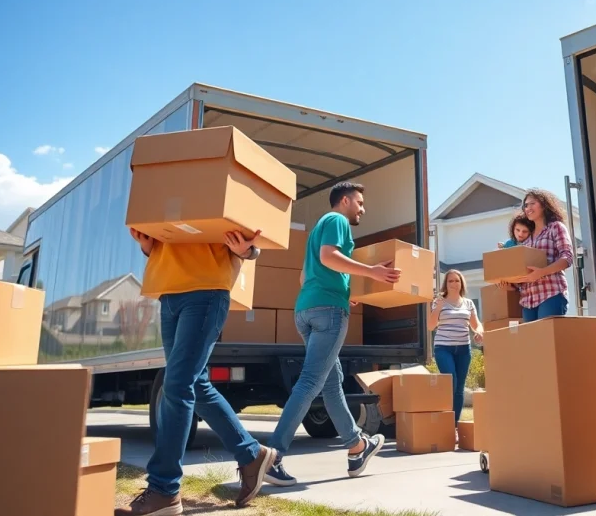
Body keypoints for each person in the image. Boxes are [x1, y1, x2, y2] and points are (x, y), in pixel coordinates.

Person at [117, 229, 273, 515]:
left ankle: (164, 489)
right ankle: (251, 454)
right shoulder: (165, 201)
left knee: (176, 384)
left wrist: (249, 251)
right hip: (169, 292)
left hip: (206, 289)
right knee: (195, 385)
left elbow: (255, 226)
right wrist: (147, 245)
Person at [263, 181, 399, 487]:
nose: (363, 209)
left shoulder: (318, 228)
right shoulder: (337, 220)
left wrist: (343, 290)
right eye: (360, 203)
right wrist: (372, 272)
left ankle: (356, 447)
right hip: (328, 312)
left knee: (332, 383)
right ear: (345, 200)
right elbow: (329, 257)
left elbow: (305, 276)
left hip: (306, 309)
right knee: (311, 382)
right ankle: (272, 457)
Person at [501, 189, 575, 322]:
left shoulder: (555, 227)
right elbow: (525, 274)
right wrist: (512, 286)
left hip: (551, 293)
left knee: (547, 335)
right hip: (527, 301)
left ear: (544, 205)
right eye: (526, 205)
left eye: (532, 203)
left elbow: (567, 258)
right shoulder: (526, 239)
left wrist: (542, 272)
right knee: (533, 336)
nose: (528, 208)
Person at [427, 270, 483, 426]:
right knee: (451, 381)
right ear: (446, 284)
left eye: (457, 280)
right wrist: (438, 308)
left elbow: (476, 324)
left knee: (459, 388)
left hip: (464, 349)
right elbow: (430, 326)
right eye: (450, 281)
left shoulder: (468, 303)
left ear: (461, 283)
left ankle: (454, 425)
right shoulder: (439, 302)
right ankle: (442, 416)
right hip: (444, 348)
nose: (453, 284)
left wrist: (479, 332)